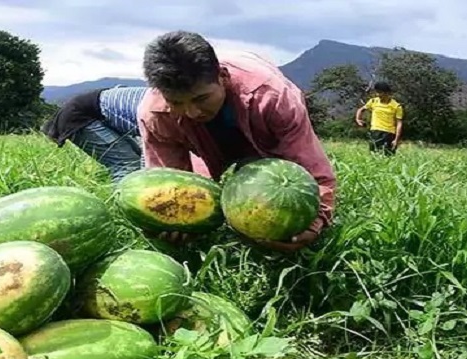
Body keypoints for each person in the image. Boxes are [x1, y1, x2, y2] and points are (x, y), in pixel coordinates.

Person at [136, 30, 337, 253]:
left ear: (223, 76)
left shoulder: (273, 97)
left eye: (201, 98)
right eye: (177, 102)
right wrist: (174, 217)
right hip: (202, 144)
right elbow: (169, 180)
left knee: (270, 177)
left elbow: (310, 165)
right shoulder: (156, 114)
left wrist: (317, 220)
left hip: (259, 125)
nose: (191, 112)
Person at [41, 86, 212, 183]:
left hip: (95, 113)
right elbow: (153, 157)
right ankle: (124, 215)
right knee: (125, 166)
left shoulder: (177, 103)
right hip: (81, 116)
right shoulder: (159, 114)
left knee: (137, 161)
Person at [355, 81, 404, 156]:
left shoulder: (396, 106)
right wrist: (358, 119)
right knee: (374, 155)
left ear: (387, 93)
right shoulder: (373, 101)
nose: (378, 95)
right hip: (375, 132)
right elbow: (361, 110)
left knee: (388, 156)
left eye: (380, 92)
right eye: (377, 92)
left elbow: (399, 123)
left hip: (389, 133)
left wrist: (396, 139)